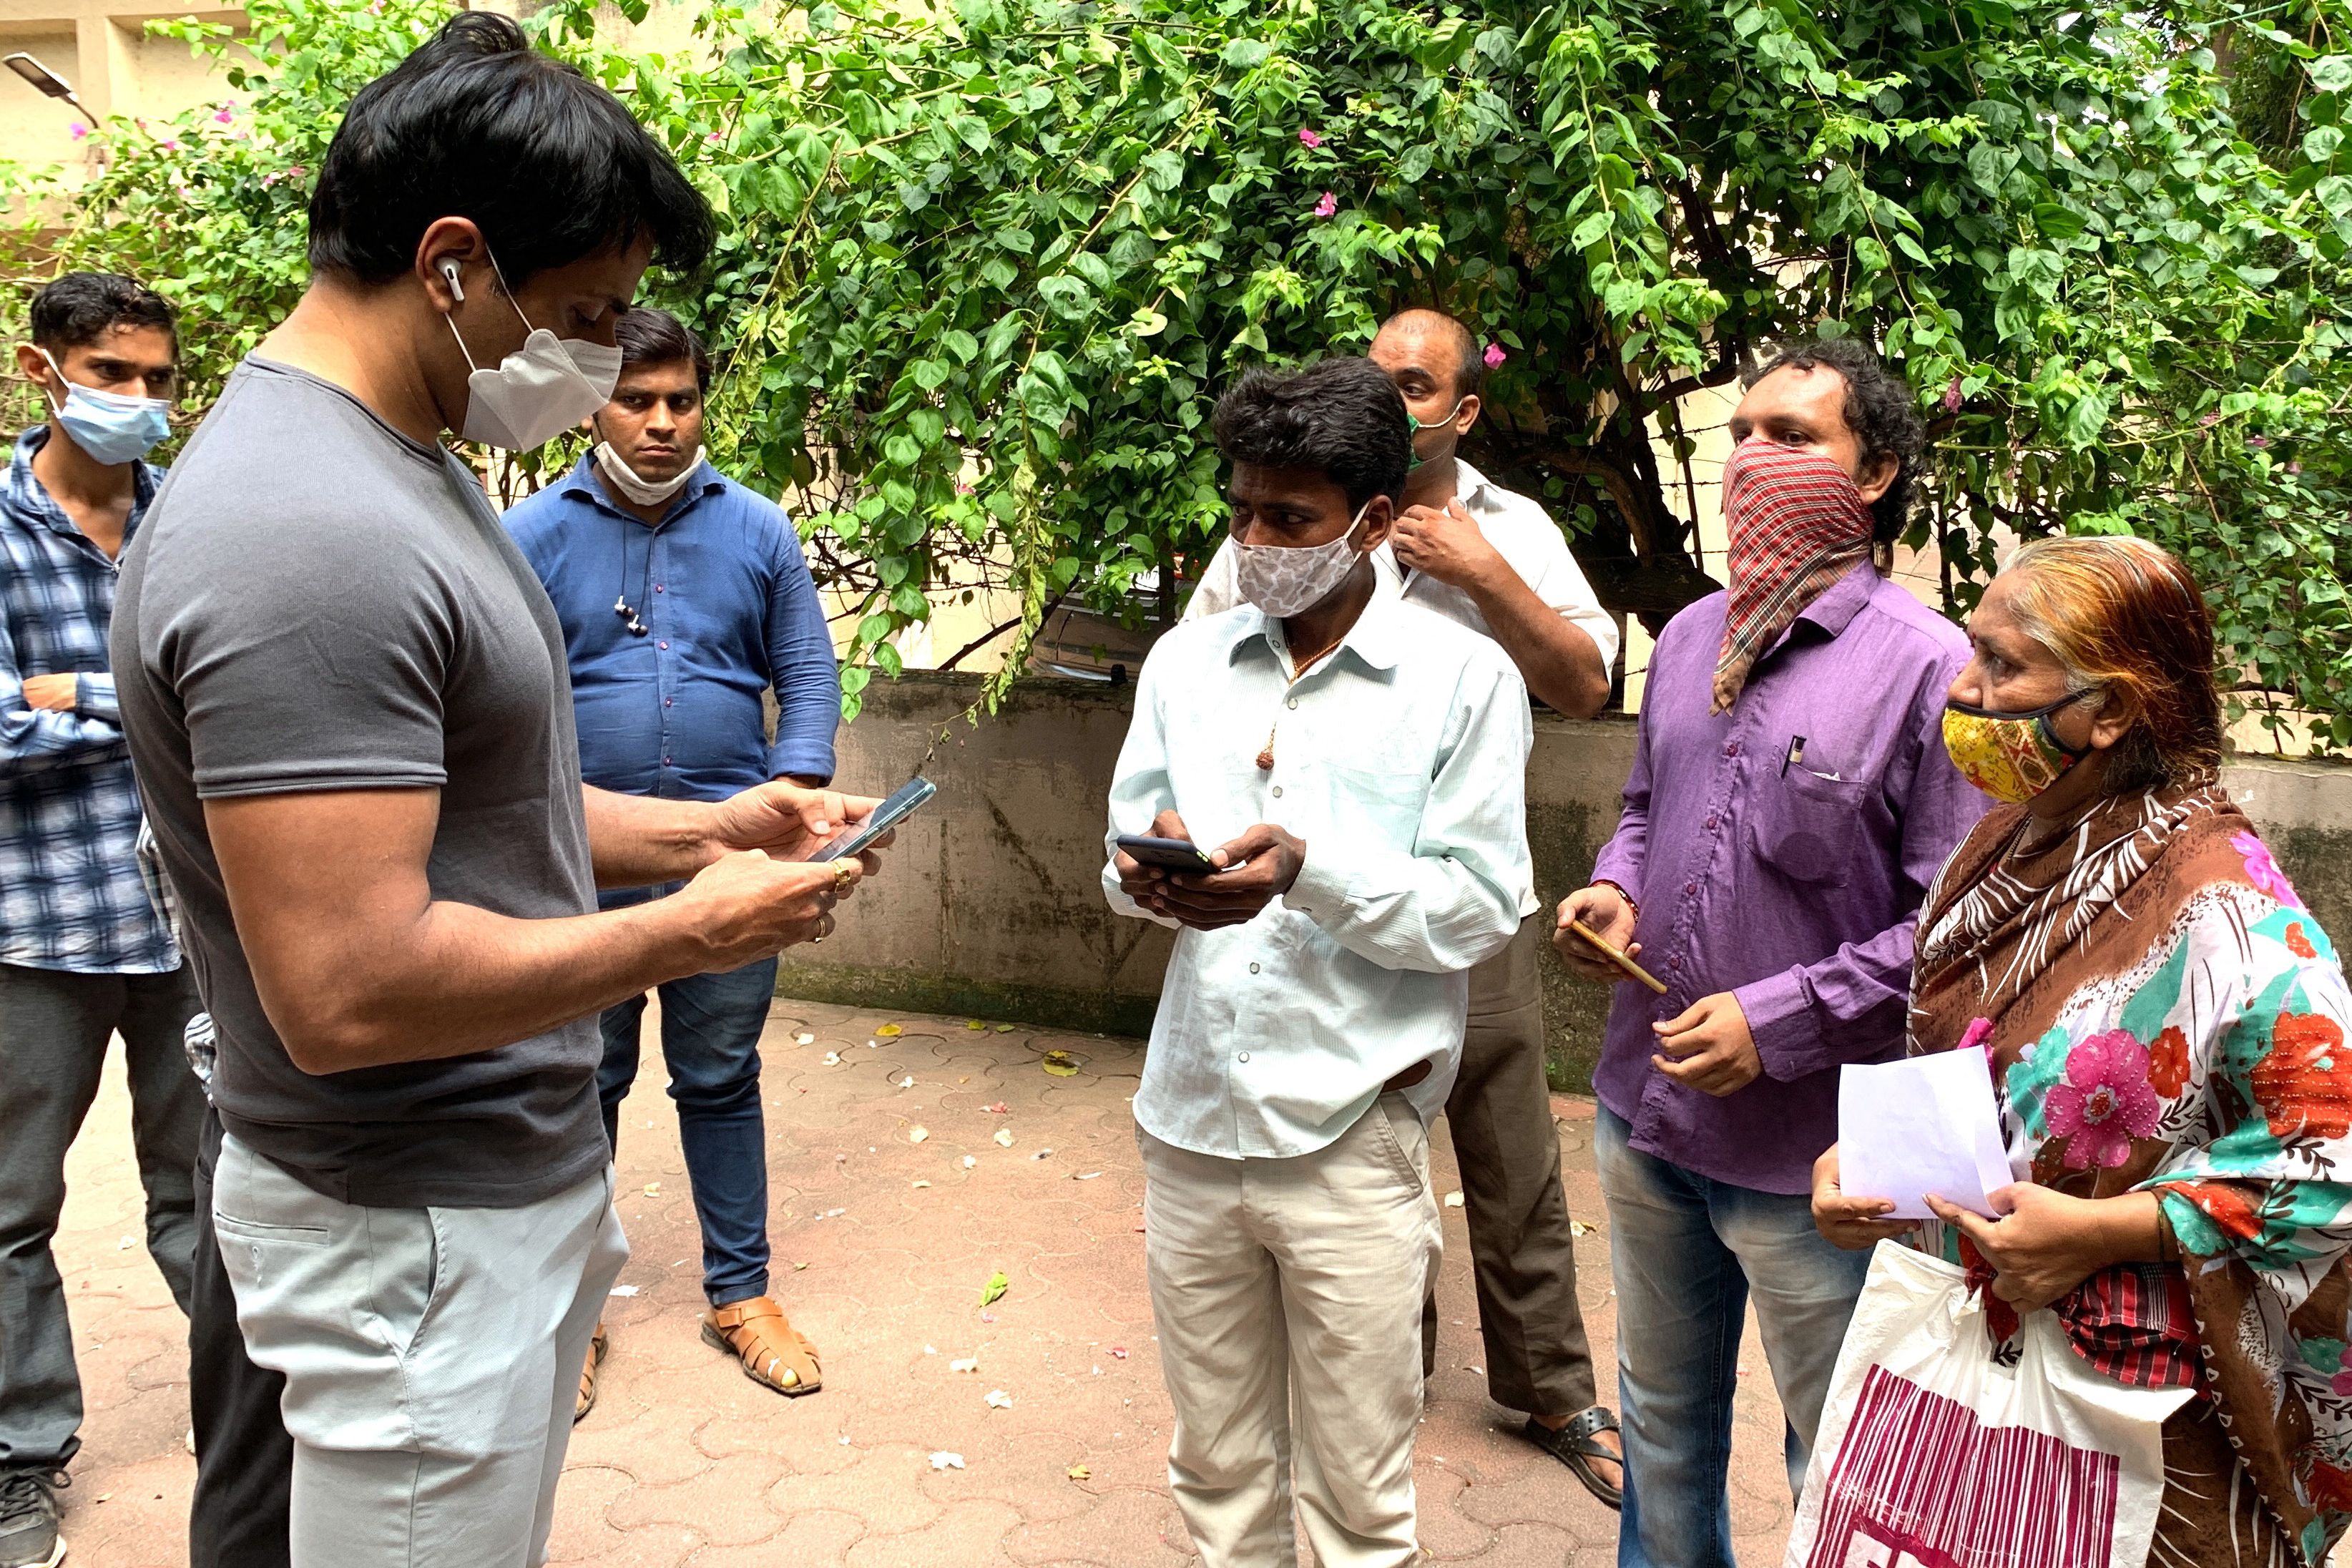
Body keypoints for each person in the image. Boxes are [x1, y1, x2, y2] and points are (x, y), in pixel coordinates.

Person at [107, 17, 883, 1566]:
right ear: (454, 263)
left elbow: (473, 816)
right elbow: (349, 984)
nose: (610, 359)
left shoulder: (407, 455)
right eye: (590, 312)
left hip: (471, 1204)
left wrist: (708, 832)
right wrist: (684, 934)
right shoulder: (310, 534)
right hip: (413, 1235)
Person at [1814, 536, 2352, 1567]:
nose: (1964, 691)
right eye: (1973, 654)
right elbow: (1970, 1055)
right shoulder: (1999, 848)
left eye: (2003, 667)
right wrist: (1870, 1171)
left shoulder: (2226, 906)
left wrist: (2111, 1233)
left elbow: (2331, 1162)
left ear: (2110, 711)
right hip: (1969, 1374)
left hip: (2143, 1426)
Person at [1553, 337, 1986, 1568]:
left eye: (1794, 437)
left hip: (1816, 1166)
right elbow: (1645, 806)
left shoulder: (1930, 667)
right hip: (1643, 1116)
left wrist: (1780, 1019)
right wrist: (1611, 890)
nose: (1754, 457)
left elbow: (1953, 931)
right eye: (1743, 431)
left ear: (1877, 471)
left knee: (1835, 1450)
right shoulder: (1694, 635)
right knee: (1664, 1422)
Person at [1189, 305, 1625, 1501]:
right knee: (1355, 1157)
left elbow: (1588, 688)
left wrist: (1484, 578)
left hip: (1448, 889)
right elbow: (1200, 679)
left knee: (1510, 1149)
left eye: (1419, 386)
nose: (1394, 401)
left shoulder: (1511, 529)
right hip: (1296, 898)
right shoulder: (1285, 523)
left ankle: (1553, 1392)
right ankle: (1382, 1380)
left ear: (1465, 412)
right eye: (1377, 379)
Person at [1106, 356, 1533, 1567]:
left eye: (1289, 518)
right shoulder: (1187, 664)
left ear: (1376, 521)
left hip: (1351, 1133)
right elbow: (1126, 838)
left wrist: (1311, 870)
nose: (1255, 541)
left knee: (1357, 1497)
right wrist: (1147, 876)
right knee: (1219, 1468)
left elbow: (1481, 906)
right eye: (1240, 510)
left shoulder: (1463, 680)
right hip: (1190, 1121)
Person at [505, 305, 841, 1416]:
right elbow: (498, 702)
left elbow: (805, 671)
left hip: (729, 867)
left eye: (680, 401)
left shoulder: (757, 529)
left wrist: (795, 792)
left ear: (703, 401)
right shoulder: (532, 535)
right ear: (592, 402)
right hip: (578, 865)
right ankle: (574, 1308)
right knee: (580, 1081)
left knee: (720, 1075)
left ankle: (739, 1295)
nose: (659, 424)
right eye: (635, 400)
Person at [0, 272, 205, 1568]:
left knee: (214, 1192)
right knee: (12, 1210)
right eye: (112, 374)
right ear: (44, 372)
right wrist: (138, 705)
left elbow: (247, 687)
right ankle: (21, 1462)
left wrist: (62, 687)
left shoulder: (192, 518)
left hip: (194, 921)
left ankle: (257, 1421)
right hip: (37, 926)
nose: (137, 402)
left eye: (157, 379)